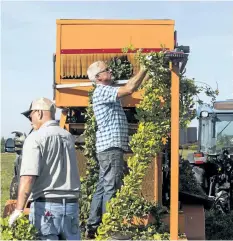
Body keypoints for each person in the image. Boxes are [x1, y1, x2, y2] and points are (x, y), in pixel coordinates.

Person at [85, 61, 148, 238]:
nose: (111, 71)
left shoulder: (104, 91)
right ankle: (110, 230)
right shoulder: (102, 90)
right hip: (111, 147)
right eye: (107, 70)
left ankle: (93, 226)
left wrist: (147, 73)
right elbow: (129, 89)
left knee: (102, 187)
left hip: (107, 147)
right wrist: (144, 68)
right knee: (111, 187)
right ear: (98, 77)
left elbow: (132, 85)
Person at [9, 97, 81, 240]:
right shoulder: (67, 137)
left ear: (40, 113)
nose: (30, 120)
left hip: (46, 207)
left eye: (31, 115)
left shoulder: (35, 138)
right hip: (72, 207)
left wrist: (18, 209)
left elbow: (28, 176)